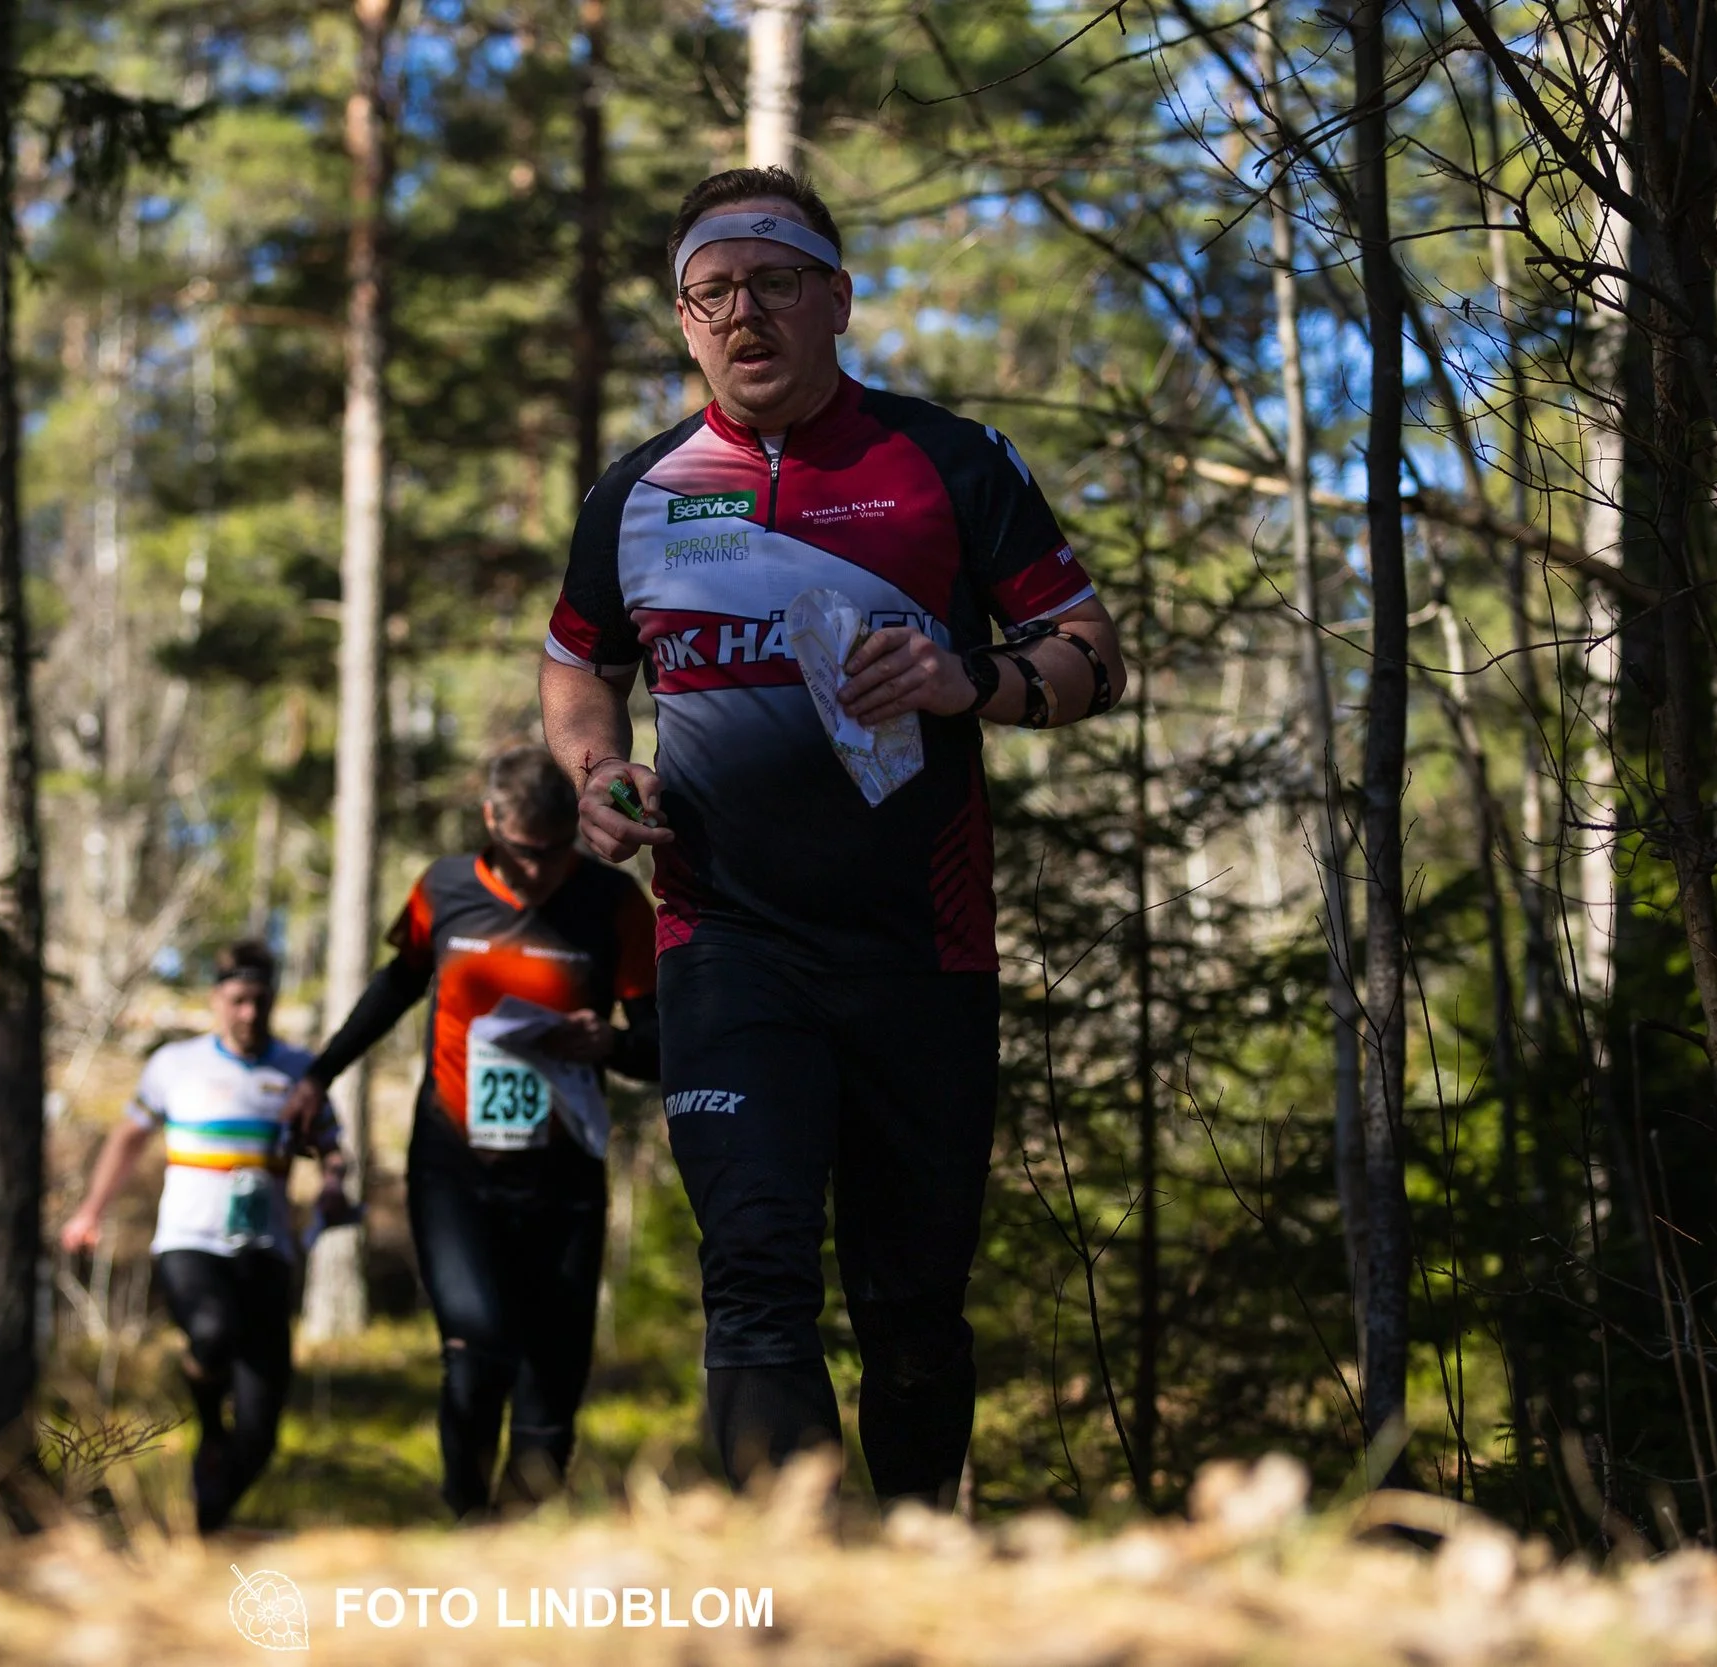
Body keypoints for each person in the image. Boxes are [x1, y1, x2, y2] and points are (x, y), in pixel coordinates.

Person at [537, 167, 1128, 1507]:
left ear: (838, 300)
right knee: (753, 1268)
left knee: (912, 1313)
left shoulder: (949, 462)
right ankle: (787, 1598)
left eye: (775, 283)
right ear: (686, 323)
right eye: (712, 292)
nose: (744, 313)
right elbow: (579, 659)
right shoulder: (635, 491)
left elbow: (1095, 653)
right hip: (723, 936)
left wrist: (967, 680)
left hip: (919, 944)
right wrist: (594, 767)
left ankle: (916, 1571)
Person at [280, 746, 659, 1518]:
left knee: (552, 1382)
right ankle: (465, 1518)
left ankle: (521, 1543)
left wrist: (609, 1043)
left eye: (558, 852)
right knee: (477, 1348)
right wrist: (320, 1072)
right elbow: (397, 985)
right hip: (455, 1166)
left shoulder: (613, 903)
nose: (538, 872)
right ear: (491, 822)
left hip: (565, 1175)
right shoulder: (444, 888)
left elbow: (662, 1045)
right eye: (524, 852)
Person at [58, 940, 345, 1533]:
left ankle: (200, 1525)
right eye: (238, 1000)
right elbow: (128, 1138)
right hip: (190, 1242)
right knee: (210, 1334)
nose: (249, 1013)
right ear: (217, 1000)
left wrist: (333, 1184)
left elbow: (332, 1147)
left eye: (261, 1001)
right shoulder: (175, 1065)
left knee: (262, 1432)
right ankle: (210, 1431)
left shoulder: (298, 1070)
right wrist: (91, 1210)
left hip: (265, 1250)